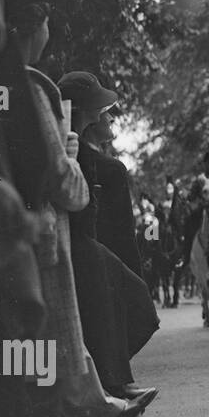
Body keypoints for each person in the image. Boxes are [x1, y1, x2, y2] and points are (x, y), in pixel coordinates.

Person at [1, 0, 153, 417]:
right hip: (46, 232)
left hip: (8, 228)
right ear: (34, 25)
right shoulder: (33, 88)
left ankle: (100, 405)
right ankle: (94, 415)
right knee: (64, 340)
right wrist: (70, 159)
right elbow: (66, 184)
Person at [59, 70, 158, 399]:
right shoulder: (75, 147)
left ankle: (114, 379)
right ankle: (115, 381)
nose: (108, 117)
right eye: (101, 112)